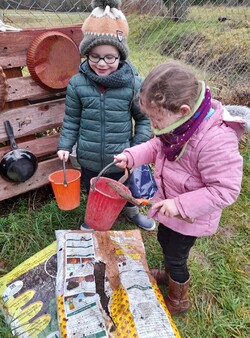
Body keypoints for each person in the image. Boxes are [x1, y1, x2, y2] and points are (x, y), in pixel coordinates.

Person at [114, 60, 248, 315]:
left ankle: (178, 299)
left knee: (177, 254)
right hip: (170, 206)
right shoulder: (177, 127)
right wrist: (132, 156)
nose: (153, 124)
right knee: (165, 239)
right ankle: (169, 274)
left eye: (156, 118)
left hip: (190, 215)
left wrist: (179, 205)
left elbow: (225, 190)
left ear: (184, 110)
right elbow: (155, 147)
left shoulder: (215, 140)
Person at [57, 0, 155, 231]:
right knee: (96, 188)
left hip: (121, 156)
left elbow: (142, 119)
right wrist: (65, 145)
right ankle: (96, 216)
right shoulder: (77, 83)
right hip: (89, 156)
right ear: (86, 55)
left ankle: (132, 211)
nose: (102, 63)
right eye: (95, 56)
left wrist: (135, 150)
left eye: (109, 57)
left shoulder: (132, 84)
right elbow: (71, 119)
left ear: (120, 56)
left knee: (126, 187)